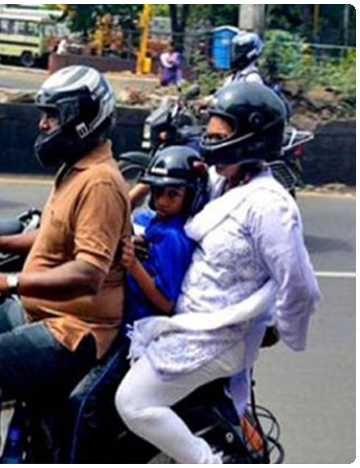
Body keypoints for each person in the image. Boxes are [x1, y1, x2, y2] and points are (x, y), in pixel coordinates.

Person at [114, 82, 321, 464]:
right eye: (208, 135)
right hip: (189, 321)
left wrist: (277, 329)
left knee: (133, 401)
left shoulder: (270, 207)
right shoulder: (222, 182)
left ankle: (208, 461)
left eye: (218, 136)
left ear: (251, 139)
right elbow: (172, 186)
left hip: (218, 335)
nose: (209, 144)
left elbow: (300, 285)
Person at [0, 65, 131, 463]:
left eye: (53, 116)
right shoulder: (75, 170)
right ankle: (6, 436)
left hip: (75, 331)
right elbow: (51, 236)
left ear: (81, 118)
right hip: (42, 311)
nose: (44, 124)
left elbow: (89, 274)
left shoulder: (100, 183)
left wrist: (8, 281)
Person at [64, 146, 208, 462]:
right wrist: (146, 180)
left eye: (173, 194)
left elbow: (165, 301)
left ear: (190, 196)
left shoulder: (173, 238)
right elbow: (121, 213)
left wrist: (133, 266)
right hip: (115, 319)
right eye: (158, 193)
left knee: (82, 402)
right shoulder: (151, 221)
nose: (163, 201)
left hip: (136, 335)